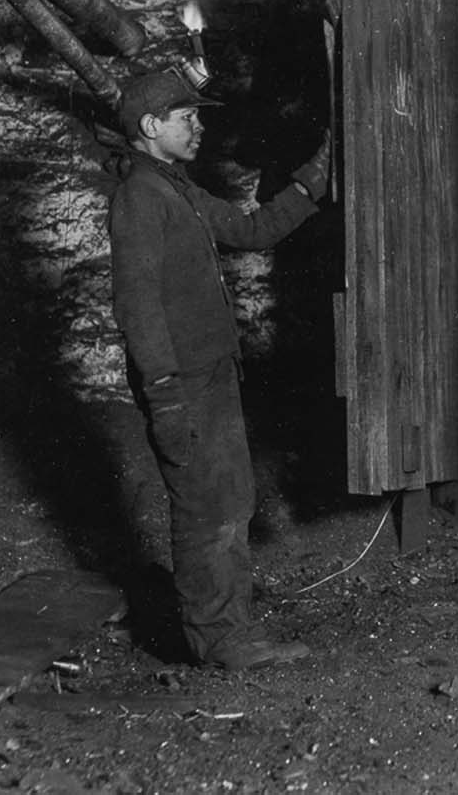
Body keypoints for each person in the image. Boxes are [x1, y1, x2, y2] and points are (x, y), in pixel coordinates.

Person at [108, 65, 330, 671]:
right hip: (182, 381)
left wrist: (311, 182)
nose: (199, 126)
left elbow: (250, 230)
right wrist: (164, 395)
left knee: (231, 499)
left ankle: (230, 627)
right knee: (206, 506)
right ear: (152, 126)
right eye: (187, 117)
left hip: (209, 374)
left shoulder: (175, 187)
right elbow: (139, 306)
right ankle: (217, 638)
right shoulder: (140, 198)